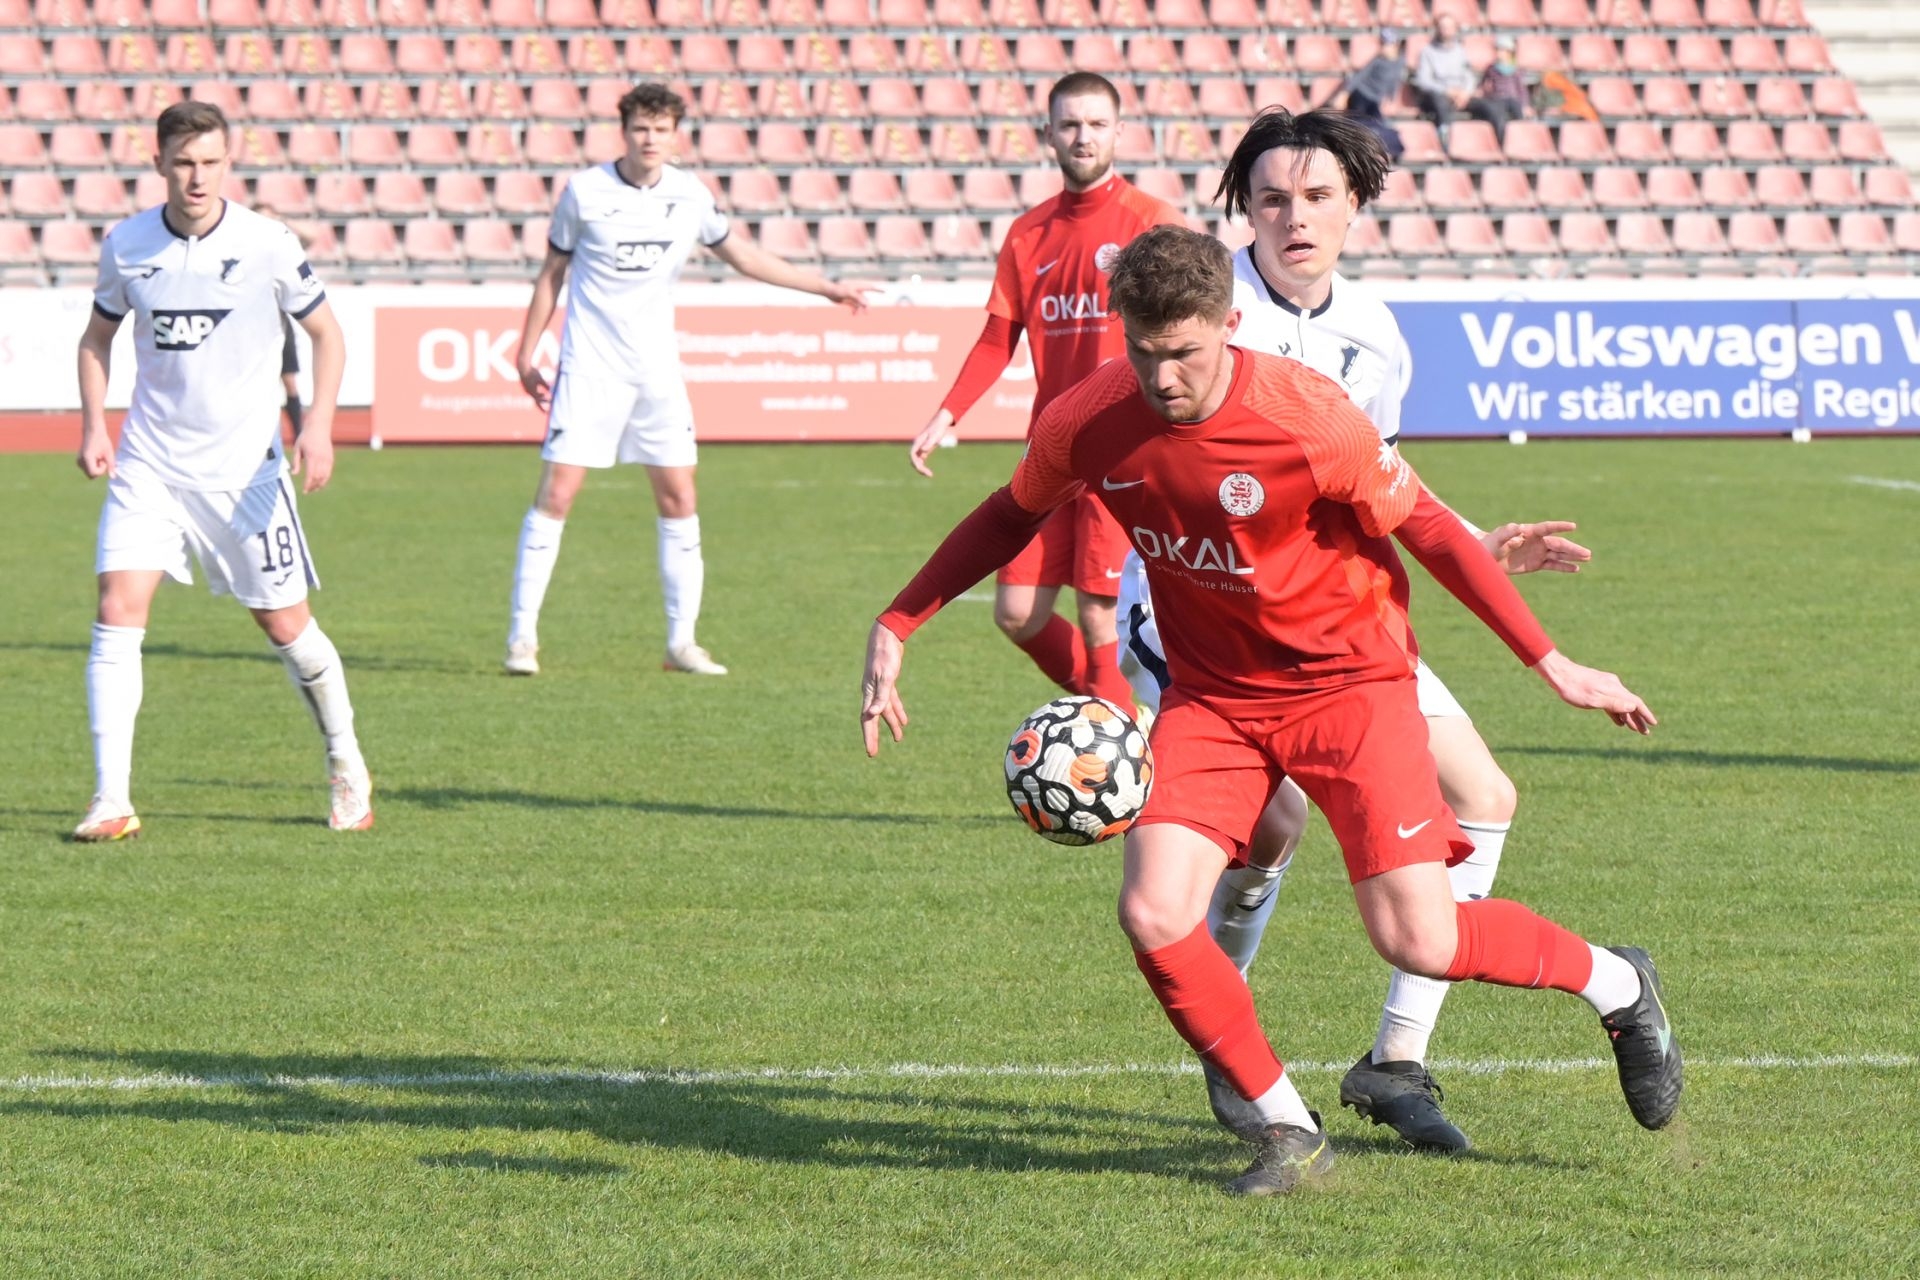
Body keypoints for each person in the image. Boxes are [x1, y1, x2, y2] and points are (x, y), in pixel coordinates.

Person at [861, 226, 1681, 1196]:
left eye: (1186, 353)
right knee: (1156, 909)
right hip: (1214, 699)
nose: (1164, 377)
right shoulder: (1091, 416)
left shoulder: (1307, 417)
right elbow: (1011, 510)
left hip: (1353, 686)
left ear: (1229, 326)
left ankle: (1620, 984)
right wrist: (900, 618)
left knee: (1418, 936)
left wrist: (1552, 661)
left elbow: (1425, 527)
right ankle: (1287, 1128)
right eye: (1145, 351)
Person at [1116, 107, 1592, 1153]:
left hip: (1339, 624)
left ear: (1355, 207)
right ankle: (1227, 1037)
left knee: (1487, 793)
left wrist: (1477, 539)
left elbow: (1382, 490)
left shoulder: (1373, 332)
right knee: (1270, 822)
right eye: (1272, 198)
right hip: (1200, 624)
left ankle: (1395, 1058)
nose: (1295, 218)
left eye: (1318, 197)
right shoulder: (1201, 306)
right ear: (1242, 206)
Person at [505, 83, 877, 677]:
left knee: (679, 498)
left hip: (656, 375)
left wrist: (825, 287)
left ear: (676, 134)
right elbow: (552, 273)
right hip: (590, 369)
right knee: (557, 496)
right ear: (623, 131)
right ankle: (521, 639)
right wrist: (526, 353)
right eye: (640, 128)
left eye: (661, 128)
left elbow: (746, 257)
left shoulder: (689, 195)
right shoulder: (585, 192)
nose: (650, 138)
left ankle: (682, 644)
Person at [73, 100, 370, 839]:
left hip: (245, 474)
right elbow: (95, 338)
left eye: (210, 162)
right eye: (183, 162)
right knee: (116, 608)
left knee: (285, 627)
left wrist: (321, 429)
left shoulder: (268, 243)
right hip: (151, 463)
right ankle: (112, 798)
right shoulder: (127, 244)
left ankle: (346, 764)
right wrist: (93, 425)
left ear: (227, 164)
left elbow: (328, 336)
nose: (196, 177)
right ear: (160, 165)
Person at [905, 72, 1185, 713]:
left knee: (1099, 621)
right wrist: (946, 415)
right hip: (1054, 451)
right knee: (1017, 613)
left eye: (1094, 124)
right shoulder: (1028, 233)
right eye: (1069, 125)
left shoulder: (1153, 223)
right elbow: (997, 336)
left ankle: (1118, 767)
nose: (1081, 137)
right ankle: (1121, 723)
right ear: (1048, 135)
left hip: (1125, 451)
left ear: (1118, 131)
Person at [253, 203, 326, 444]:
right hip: (250, 324)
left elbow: (312, 237)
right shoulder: (245, 246)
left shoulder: (283, 247)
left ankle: (298, 435)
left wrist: (284, 221)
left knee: (289, 381)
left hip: (280, 319)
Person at [1411, 15, 1504, 143]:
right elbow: (1423, 80)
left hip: (1462, 95)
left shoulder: (1460, 51)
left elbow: (1469, 75)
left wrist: (1465, 93)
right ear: (1437, 29)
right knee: (1441, 104)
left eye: (1450, 27)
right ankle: (1445, 144)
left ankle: (1498, 144)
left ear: (1455, 29)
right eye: (1443, 27)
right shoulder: (1427, 52)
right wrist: (1447, 91)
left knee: (1491, 108)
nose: (1446, 30)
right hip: (1439, 96)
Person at [1329, 27, 1408, 159]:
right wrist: (1344, 93)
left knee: (1378, 125)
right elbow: (1359, 77)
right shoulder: (1377, 60)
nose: (1384, 47)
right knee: (1359, 123)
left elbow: (1395, 81)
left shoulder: (1400, 61)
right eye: (1383, 43)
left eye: (1388, 44)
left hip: (1375, 99)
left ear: (1396, 44)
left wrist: (1391, 98)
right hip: (1362, 94)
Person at [1474, 35, 1531, 144]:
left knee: (1519, 116)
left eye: (1502, 50)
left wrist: (1525, 105)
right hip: (1497, 98)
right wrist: (1481, 91)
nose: (1499, 53)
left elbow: (1521, 89)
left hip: (1512, 98)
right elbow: (1482, 83)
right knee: (1498, 118)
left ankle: (1520, 142)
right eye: (1497, 50)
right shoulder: (1491, 68)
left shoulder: (1516, 69)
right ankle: (1501, 142)